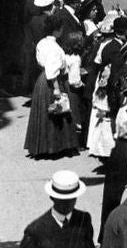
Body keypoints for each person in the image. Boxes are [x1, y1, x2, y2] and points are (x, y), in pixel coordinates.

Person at [25, 10, 80, 159]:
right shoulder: (55, 49)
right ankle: (55, 147)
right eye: (61, 29)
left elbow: (42, 65)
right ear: (56, 30)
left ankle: (43, 145)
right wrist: (56, 89)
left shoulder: (42, 43)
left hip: (41, 81)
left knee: (45, 113)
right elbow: (52, 72)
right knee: (57, 112)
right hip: (52, 82)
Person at [20, 170, 94, 248]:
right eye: (62, 200)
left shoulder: (83, 220)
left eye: (71, 199)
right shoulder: (35, 230)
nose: (67, 203)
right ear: (52, 197)